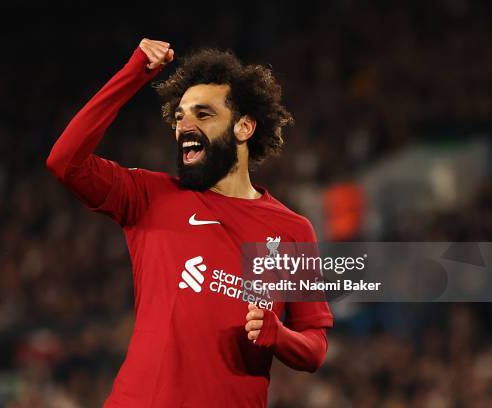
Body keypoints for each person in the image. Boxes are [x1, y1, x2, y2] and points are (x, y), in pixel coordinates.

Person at [46, 38, 333, 407]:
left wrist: (279, 336)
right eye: (180, 116)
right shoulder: (150, 197)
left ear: (244, 127)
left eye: (204, 114)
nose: (185, 125)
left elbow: (315, 346)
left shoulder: (292, 231)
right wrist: (133, 75)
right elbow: (64, 161)